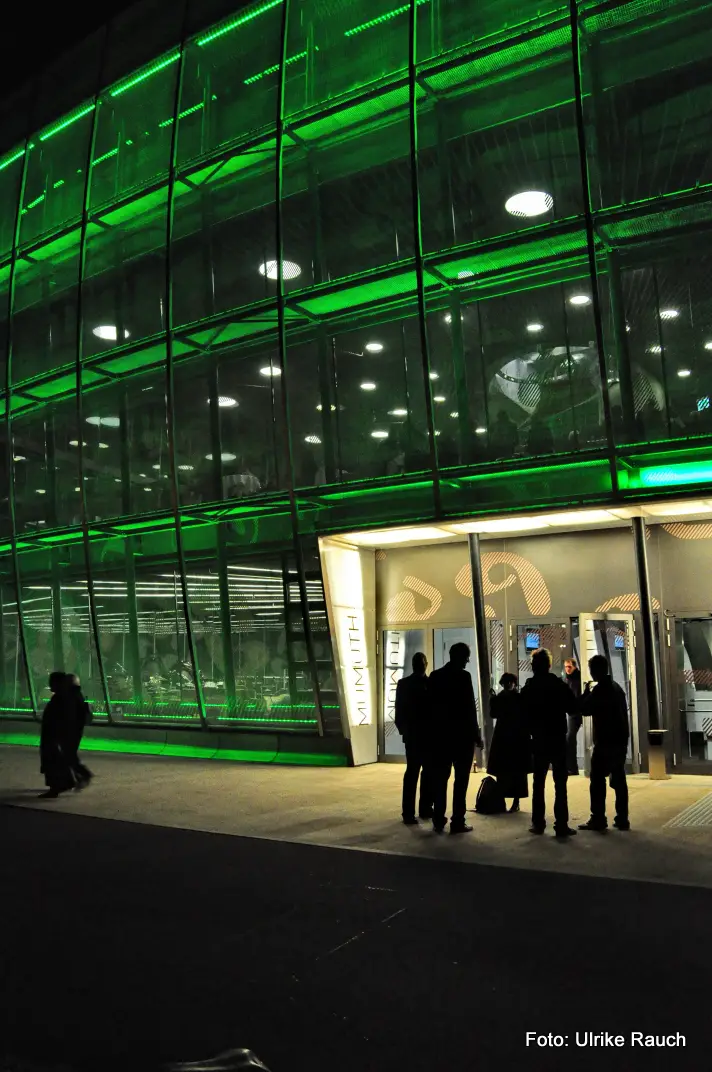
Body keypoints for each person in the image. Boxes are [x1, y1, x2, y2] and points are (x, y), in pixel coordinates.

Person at [521, 648, 578, 837]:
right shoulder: (558, 684)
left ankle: (538, 823)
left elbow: (523, 713)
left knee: (538, 782)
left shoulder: (529, 687)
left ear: (533, 666)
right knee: (560, 783)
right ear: (549, 665)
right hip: (557, 737)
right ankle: (561, 824)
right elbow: (572, 708)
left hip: (538, 738)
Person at [428, 643, 483, 834]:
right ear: (460, 657)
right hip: (462, 737)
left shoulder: (435, 676)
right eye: (467, 657)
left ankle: (438, 818)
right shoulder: (464, 677)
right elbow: (469, 709)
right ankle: (457, 820)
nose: (468, 660)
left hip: (441, 737)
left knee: (440, 779)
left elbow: (430, 708)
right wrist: (476, 735)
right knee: (461, 781)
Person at [578, 655, 630, 832]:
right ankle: (622, 818)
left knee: (597, 780)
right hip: (620, 740)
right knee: (619, 780)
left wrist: (585, 693)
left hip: (605, 742)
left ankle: (598, 818)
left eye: (591, 669)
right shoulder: (616, 687)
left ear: (595, 670)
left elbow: (584, 709)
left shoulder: (600, 690)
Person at [394, 652, 432, 824]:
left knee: (422, 773)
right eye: (420, 662)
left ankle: (420, 809)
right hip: (417, 735)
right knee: (415, 773)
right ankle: (414, 811)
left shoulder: (408, 684)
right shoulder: (423, 683)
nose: (421, 665)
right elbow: (399, 710)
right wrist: (404, 731)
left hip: (421, 735)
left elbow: (399, 710)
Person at [487, 672, 531, 813]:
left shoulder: (501, 697)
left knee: (504, 770)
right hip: (517, 736)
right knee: (516, 770)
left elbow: (494, 714)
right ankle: (515, 801)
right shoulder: (519, 698)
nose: (507, 685)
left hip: (504, 735)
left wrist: (492, 699)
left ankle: (506, 800)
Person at [39, 671, 77, 799]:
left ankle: (55, 788)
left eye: (52, 682)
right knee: (59, 761)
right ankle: (66, 783)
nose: (50, 685)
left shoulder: (60, 699)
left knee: (52, 761)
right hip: (57, 735)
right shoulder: (63, 697)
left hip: (54, 736)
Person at [67, 673, 94, 789]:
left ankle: (84, 775)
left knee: (69, 755)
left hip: (72, 730)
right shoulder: (77, 695)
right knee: (69, 754)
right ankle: (79, 777)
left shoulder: (72, 696)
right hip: (76, 729)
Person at [564, 657, 583, 775]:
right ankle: (571, 767)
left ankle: (572, 768)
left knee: (570, 738)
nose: (567, 669)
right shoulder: (568, 679)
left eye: (569, 667)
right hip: (573, 712)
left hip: (576, 711)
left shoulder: (577, 678)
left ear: (574, 667)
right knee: (570, 738)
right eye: (566, 667)